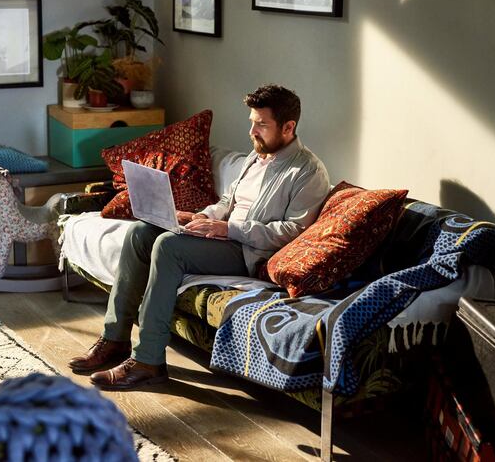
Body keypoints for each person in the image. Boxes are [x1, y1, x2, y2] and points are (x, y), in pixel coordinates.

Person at [68, 84, 330, 390]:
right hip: (225, 237)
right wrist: (204, 217)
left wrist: (227, 229)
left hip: (250, 252)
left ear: (289, 127)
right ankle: (114, 339)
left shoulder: (308, 171)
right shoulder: (257, 156)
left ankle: (148, 360)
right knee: (142, 232)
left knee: (169, 247)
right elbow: (227, 202)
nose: (252, 131)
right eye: (251, 122)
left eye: (261, 124)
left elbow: (291, 233)